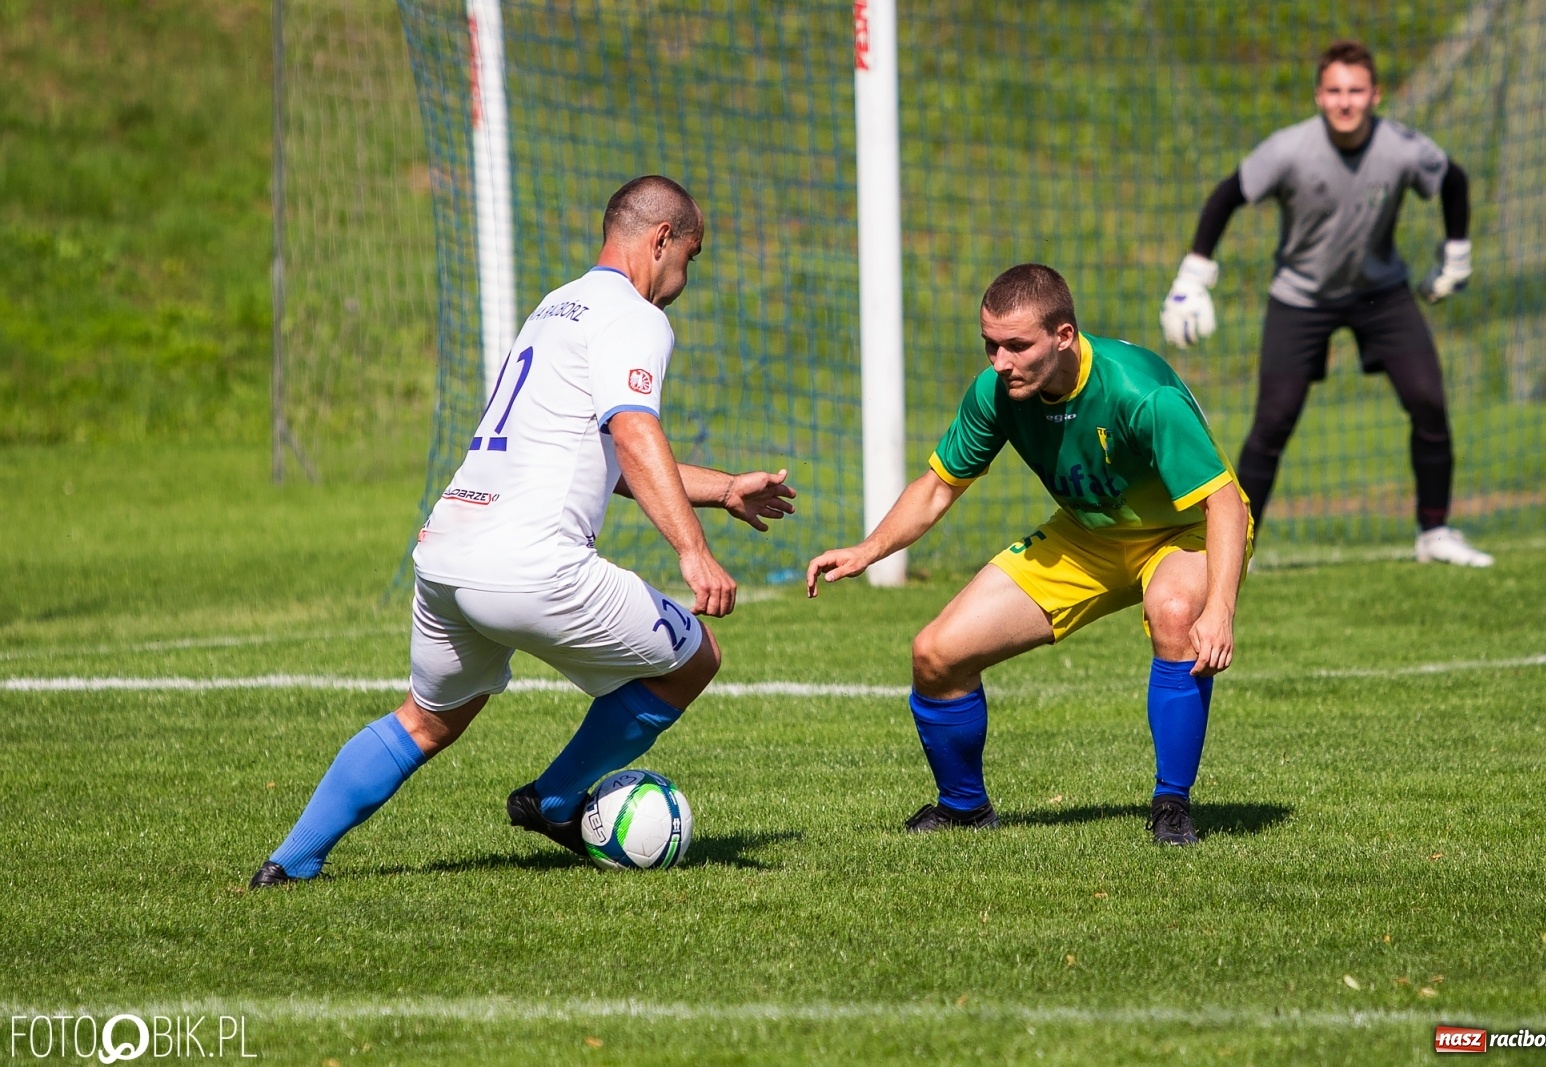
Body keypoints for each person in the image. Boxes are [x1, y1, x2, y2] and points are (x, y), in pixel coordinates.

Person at [250, 176, 796, 886]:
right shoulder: (634, 316)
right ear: (662, 239)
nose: (683, 279)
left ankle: (289, 861)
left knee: (427, 719)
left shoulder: (554, 307)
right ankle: (556, 799)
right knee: (694, 659)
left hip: (447, 554)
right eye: (690, 257)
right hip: (533, 565)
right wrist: (694, 551)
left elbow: (601, 454)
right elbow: (633, 432)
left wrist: (722, 489)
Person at [807, 264, 1250, 846]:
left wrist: (1218, 609)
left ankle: (1172, 805)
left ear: (1063, 336)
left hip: (1186, 531)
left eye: (1016, 346)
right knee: (937, 654)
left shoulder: (1139, 393)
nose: (1000, 362)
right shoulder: (997, 392)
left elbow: (1226, 505)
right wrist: (869, 549)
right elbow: (938, 487)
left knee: (1174, 613)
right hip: (1087, 537)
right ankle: (964, 807)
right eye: (990, 344)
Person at [1160, 39, 1492, 567]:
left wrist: (1457, 255)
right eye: (1335, 90)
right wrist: (1191, 278)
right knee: (1272, 424)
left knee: (1429, 402)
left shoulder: (1401, 147)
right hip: (1300, 298)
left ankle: (1435, 532)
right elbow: (1228, 195)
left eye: (1356, 91)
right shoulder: (1289, 149)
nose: (1345, 101)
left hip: (1382, 295)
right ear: (1319, 95)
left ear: (1375, 94)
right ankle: (1234, 549)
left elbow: (1453, 179)